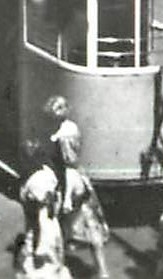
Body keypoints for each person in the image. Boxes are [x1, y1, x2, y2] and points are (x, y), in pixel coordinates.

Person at [44, 98, 110, 279]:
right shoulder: (69, 127)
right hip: (74, 179)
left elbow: (68, 165)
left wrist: (65, 198)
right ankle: (100, 269)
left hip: (70, 183)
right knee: (88, 228)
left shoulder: (64, 135)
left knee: (67, 225)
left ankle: (59, 268)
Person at [17, 142, 69, 279]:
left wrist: (40, 246)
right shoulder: (48, 172)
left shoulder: (35, 180)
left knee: (41, 270)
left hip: (40, 232)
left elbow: (41, 218)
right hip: (53, 227)